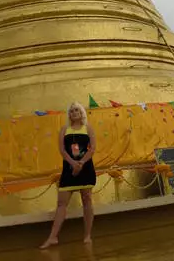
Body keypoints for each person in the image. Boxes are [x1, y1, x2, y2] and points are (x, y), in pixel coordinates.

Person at [40, 102, 96, 249]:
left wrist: (81, 163)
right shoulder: (64, 129)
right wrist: (73, 164)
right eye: (71, 111)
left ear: (82, 112)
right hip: (69, 170)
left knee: (87, 200)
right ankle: (52, 237)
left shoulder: (88, 128)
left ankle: (87, 235)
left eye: (77, 110)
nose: (74, 112)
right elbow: (62, 150)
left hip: (85, 168)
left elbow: (92, 149)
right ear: (69, 115)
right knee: (61, 203)